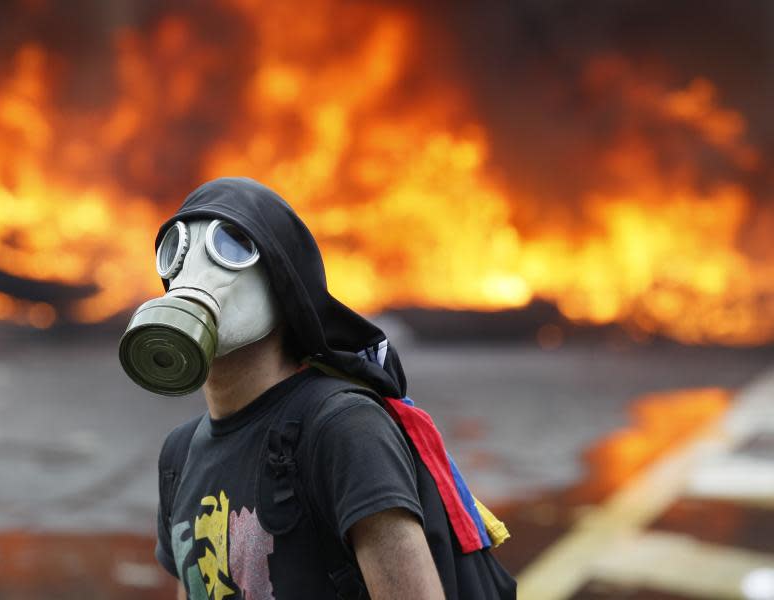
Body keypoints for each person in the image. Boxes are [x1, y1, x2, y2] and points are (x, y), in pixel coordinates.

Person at [119, 177, 512, 599]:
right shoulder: (179, 453)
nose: (194, 272)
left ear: (285, 285)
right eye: (176, 250)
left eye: (230, 247)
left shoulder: (344, 427)